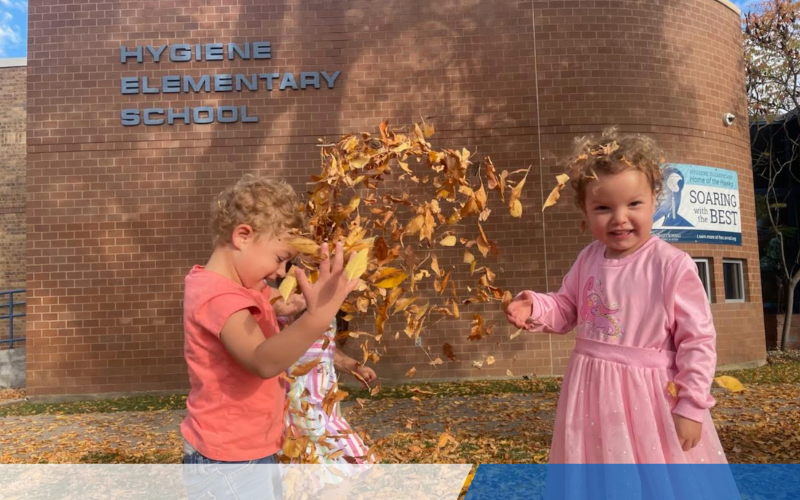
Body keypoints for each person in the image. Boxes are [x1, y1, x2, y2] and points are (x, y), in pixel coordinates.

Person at [506, 128, 729, 465]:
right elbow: (567, 308)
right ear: (584, 211)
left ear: (655, 200)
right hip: (591, 397)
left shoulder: (671, 266)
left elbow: (697, 342)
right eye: (603, 208)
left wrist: (692, 405)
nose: (620, 218)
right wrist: (536, 306)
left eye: (634, 204)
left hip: (651, 401)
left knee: (653, 477)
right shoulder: (588, 259)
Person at [180, 174, 359, 500]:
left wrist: (292, 303)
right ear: (243, 236)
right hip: (230, 459)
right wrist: (316, 319)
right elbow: (262, 361)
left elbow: (267, 304)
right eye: (280, 259)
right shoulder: (217, 297)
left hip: (248, 450)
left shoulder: (243, 288)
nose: (281, 272)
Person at [272, 278, 378, 465]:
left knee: (344, 462)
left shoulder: (327, 319)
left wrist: (355, 367)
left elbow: (329, 351)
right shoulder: (283, 321)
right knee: (311, 465)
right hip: (299, 410)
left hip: (326, 409)